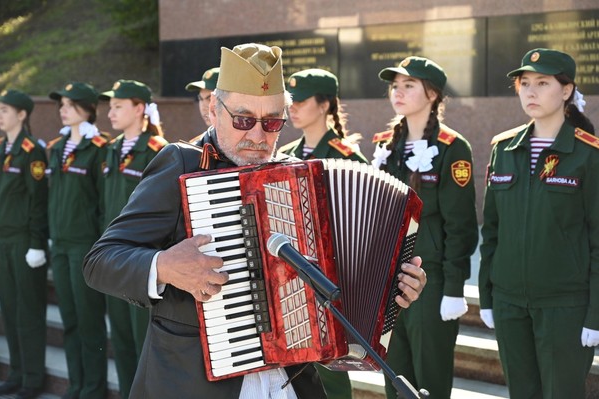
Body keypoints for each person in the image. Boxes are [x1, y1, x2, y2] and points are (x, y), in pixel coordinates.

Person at [82, 43, 427, 399]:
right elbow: (100, 260)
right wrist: (164, 266)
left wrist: (389, 289)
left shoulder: (300, 180)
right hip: (194, 382)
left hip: (289, 385)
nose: (258, 136)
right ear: (215, 109)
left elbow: (333, 293)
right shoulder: (181, 164)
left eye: (272, 122)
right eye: (244, 119)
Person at [478, 48, 599, 398]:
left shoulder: (588, 155)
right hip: (510, 302)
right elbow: (493, 231)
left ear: (565, 91)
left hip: (565, 306)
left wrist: (595, 313)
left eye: (542, 83)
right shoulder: (504, 149)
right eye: (524, 83)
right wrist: (487, 295)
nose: (530, 91)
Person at [371, 56, 478, 399]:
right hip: (388, 282)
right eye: (394, 86)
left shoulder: (452, 147)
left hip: (430, 283)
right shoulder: (386, 146)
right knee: (394, 378)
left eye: (409, 85)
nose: (398, 93)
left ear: (432, 94)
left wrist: (453, 289)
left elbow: (459, 227)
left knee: (429, 383)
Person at [278, 67, 366, 398]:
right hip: (288, 280)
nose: (293, 108)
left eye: (301, 101)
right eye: (291, 102)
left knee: (330, 376)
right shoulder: (283, 156)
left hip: (329, 281)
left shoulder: (347, 158)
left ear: (325, 105)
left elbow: (359, 227)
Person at [98, 79, 168, 399]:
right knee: (123, 340)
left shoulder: (158, 151)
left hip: (143, 263)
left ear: (139, 108)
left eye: (118, 106)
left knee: (144, 342)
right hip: (115, 259)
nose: (110, 113)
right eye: (110, 106)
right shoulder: (111, 149)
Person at [47, 82, 108, 399]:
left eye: (69, 104)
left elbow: (102, 202)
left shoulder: (98, 147)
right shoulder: (57, 147)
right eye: (61, 104)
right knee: (70, 319)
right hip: (59, 244)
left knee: (89, 321)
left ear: (86, 109)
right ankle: (76, 384)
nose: (62, 109)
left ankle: (94, 388)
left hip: (85, 245)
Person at [0, 90, 48, 399]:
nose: (0, 114)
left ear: (22, 115)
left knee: (28, 312)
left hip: (22, 241)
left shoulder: (32, 150)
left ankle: (32, 378)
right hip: (2, 240)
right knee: (10, 310)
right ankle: (16, 371)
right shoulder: (3, 148)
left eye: (5, 110)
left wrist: (36, 242)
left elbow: (38, 200)